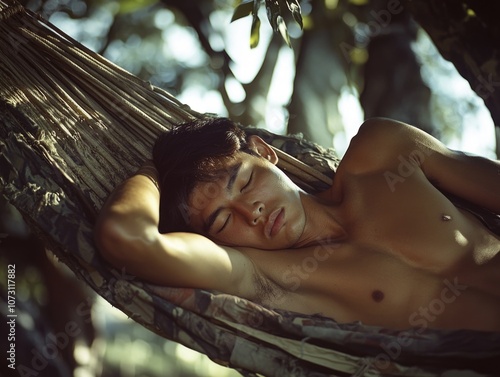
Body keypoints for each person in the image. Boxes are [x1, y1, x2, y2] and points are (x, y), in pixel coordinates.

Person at [94, 117, 500, 332]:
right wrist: (154, 171)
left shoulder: (385, 152)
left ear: (265, 153)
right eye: (220, 221)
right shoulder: (265, 276)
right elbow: (128, 238)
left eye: (246, 182)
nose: (250, 212)